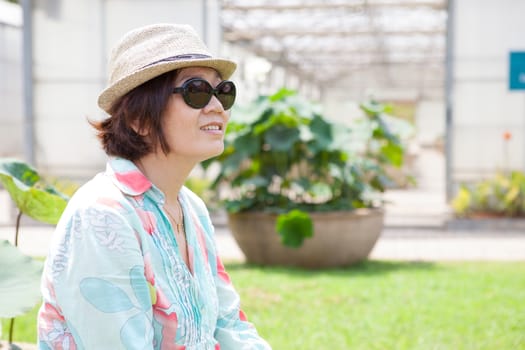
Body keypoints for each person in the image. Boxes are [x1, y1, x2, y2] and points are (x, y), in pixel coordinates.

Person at [37, 23, 271, 349]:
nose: (217, 106)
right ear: (139, 118)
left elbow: (228, 325)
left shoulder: (192, 210)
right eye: (197, 91)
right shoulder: (103, 215)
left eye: (223, 91)